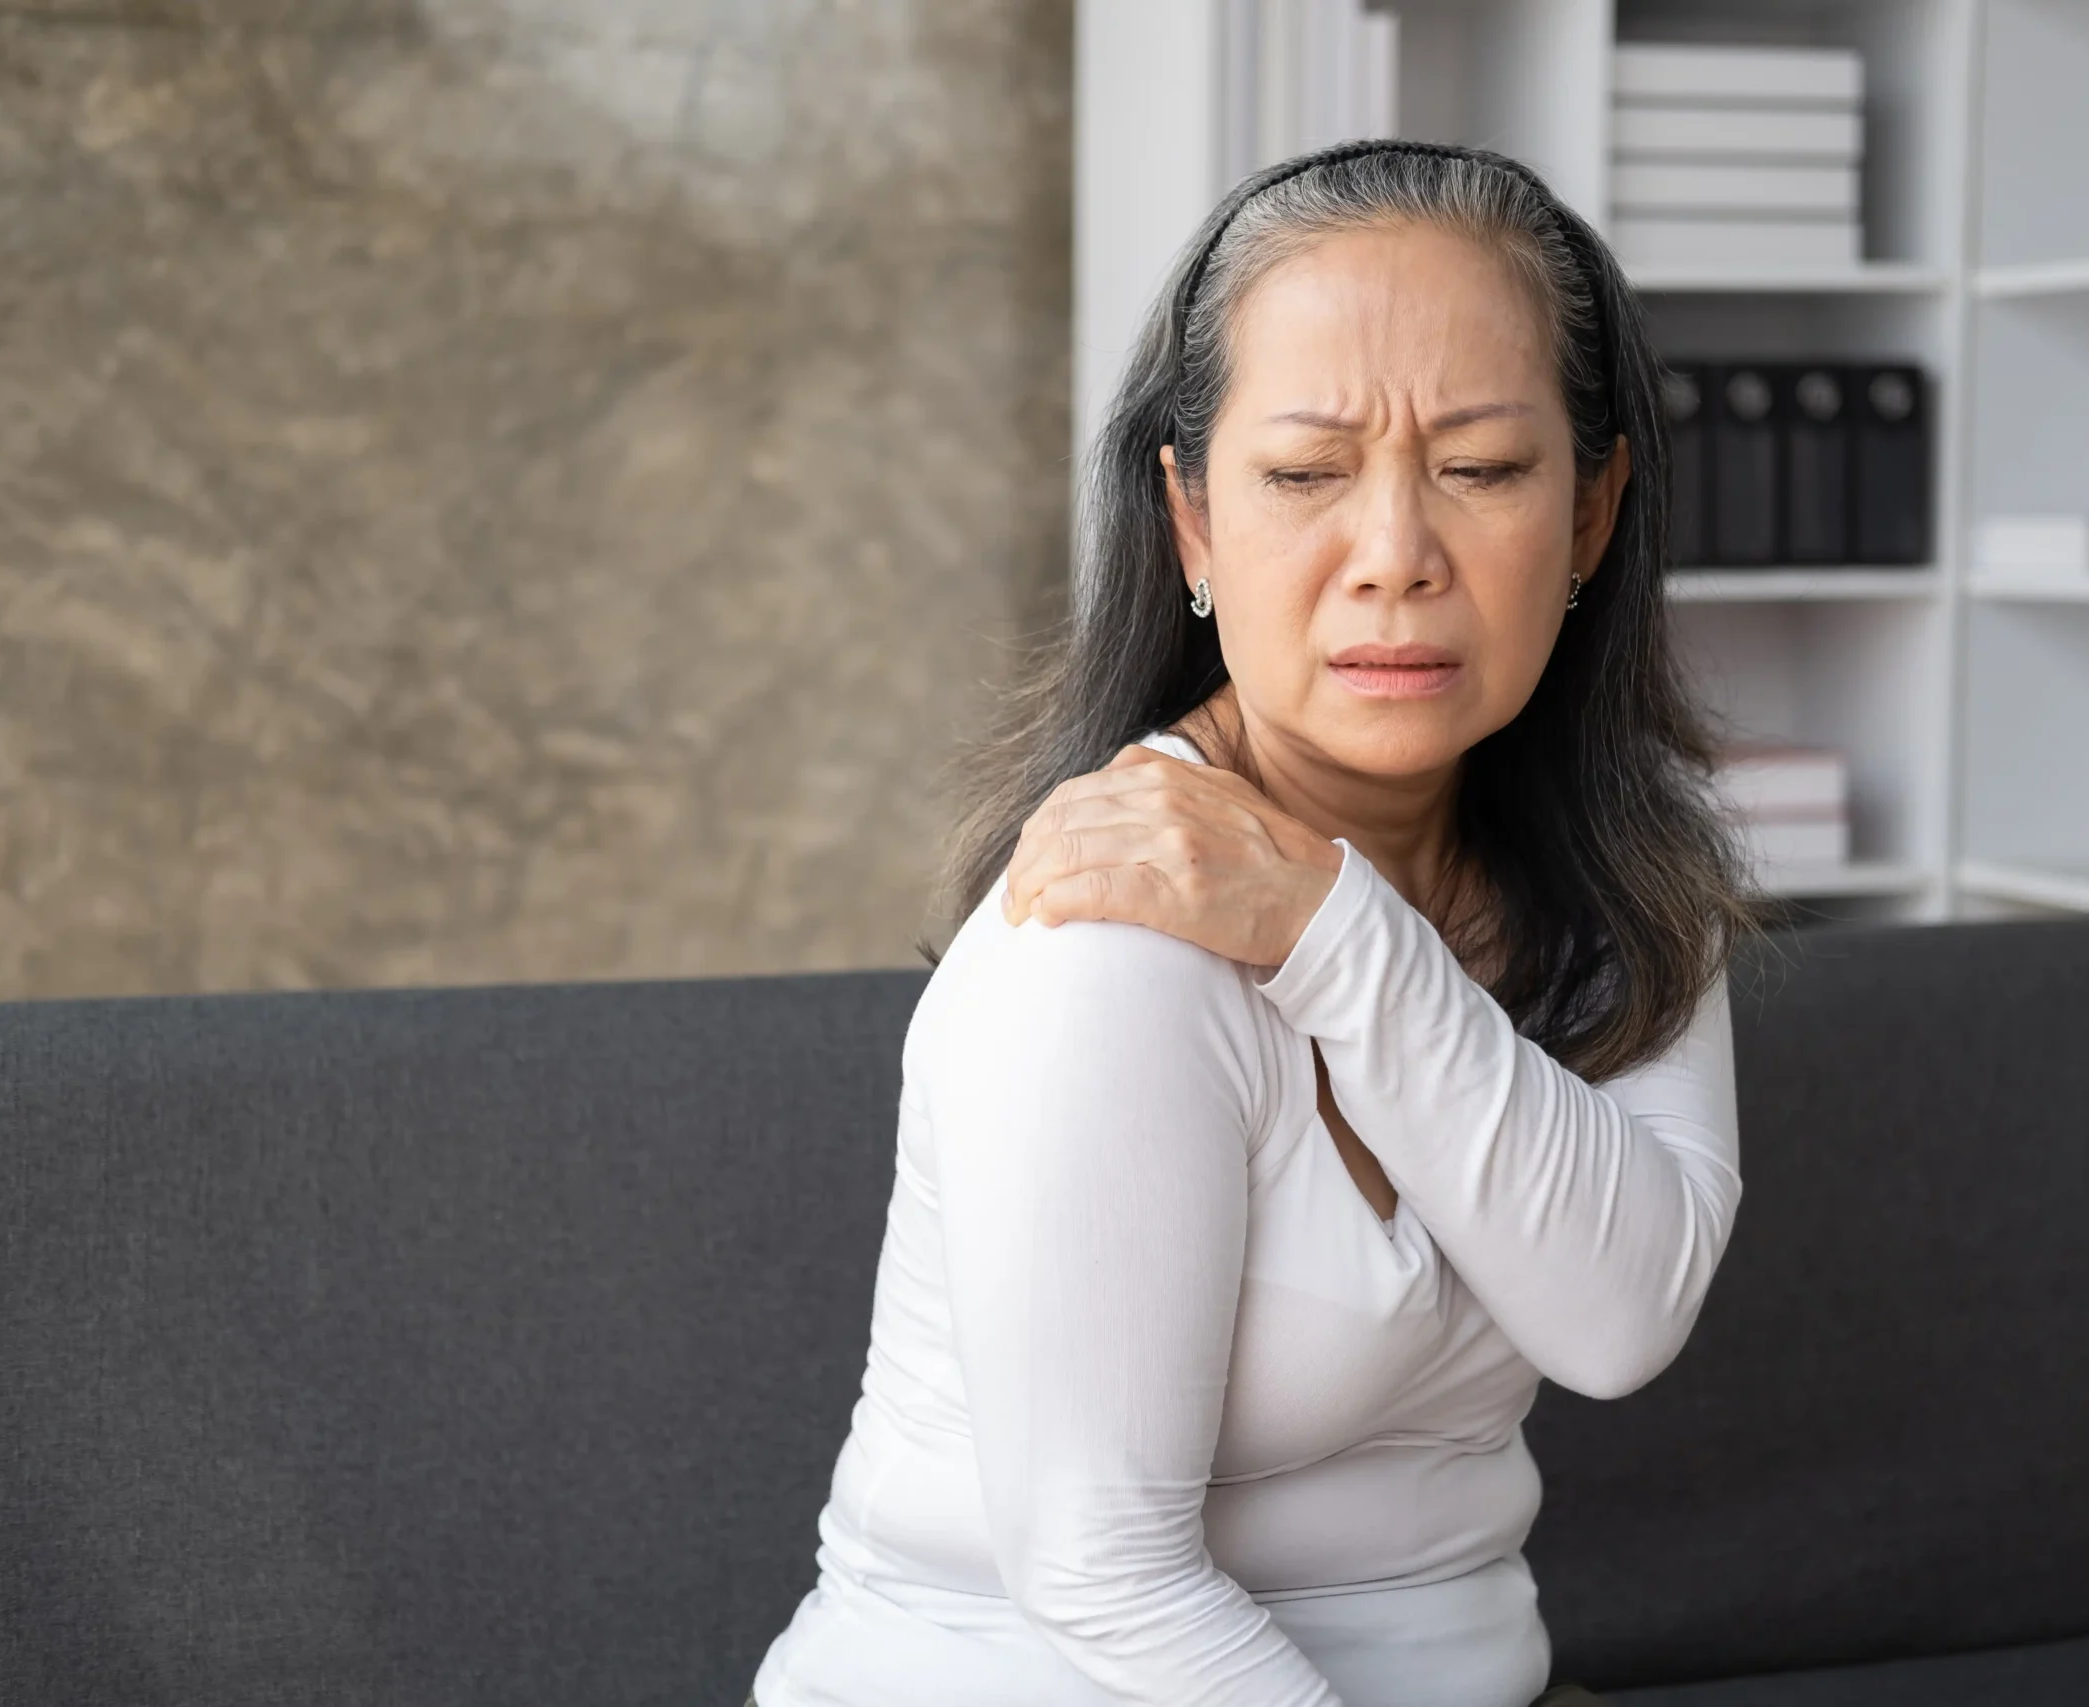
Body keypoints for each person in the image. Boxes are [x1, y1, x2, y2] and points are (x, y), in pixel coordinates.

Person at [748, 138, 1754, 1707]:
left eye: (1483, 471)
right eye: (1303, 475)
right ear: (1195, 521)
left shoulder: (1623, 870)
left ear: (1593, 510)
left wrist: (1334, 930)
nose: (1396, 559)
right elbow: (1100, 1571)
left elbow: (1618, 1313)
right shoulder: (1106, 932)